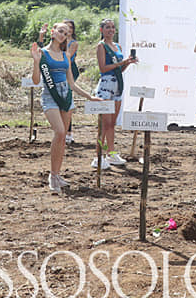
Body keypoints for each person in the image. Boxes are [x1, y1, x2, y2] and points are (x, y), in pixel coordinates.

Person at [31, 21, 99, 192]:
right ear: (53, 32)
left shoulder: (66, 55)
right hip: (50, 97)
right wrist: (35, 62)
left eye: (66, 33)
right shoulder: (43, 53)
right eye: (60, 31)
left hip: (66, 97)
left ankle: (57, 173)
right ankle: (51, 176)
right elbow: (36, 81)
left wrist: (89, 96)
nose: (63, 35)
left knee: (62, 139)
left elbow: (72, 84)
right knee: (60, 132)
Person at [94, 18, 137, 168]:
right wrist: (120, 63)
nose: (111, 30)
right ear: (102, 30)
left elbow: (118, 70)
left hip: (118, 85)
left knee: (112, 123)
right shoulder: (101, 46)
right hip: (106, 86)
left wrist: (127, 63)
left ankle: (111, 154)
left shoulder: (117, 46)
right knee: (104, 124)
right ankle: (98, 155)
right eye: (107, 27)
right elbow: (103, 68)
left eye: (112, 27)